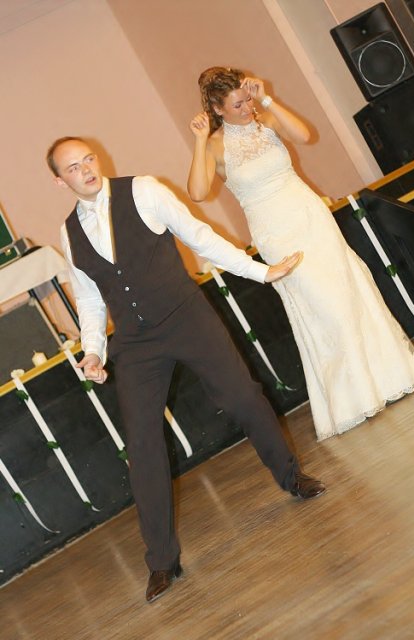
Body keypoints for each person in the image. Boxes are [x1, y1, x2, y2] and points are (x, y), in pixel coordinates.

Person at [47, 136, 325, 603]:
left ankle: (291, 477)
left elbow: (199, 236)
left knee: (242, 397)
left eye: (89, 158)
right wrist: (92, 350)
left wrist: (260, 271)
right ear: (61, 180)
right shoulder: (68, 232)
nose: (86, 169)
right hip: (135, 342)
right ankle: (162, 561)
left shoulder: (144, 190)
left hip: (185, 316)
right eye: (73, 167)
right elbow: (90, 299)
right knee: (141, 445)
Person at [188, 67, 414, 442]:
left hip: (310, 215)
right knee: (323, 306)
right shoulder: (215, 147)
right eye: (237, 104)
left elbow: (304, 134)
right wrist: (200, 141)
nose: (247, 108)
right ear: (217, 108)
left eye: (247, 99)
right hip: (275, 233)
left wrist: (266, 99)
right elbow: (198, 192)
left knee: (346, 294)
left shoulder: (265, 120)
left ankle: (389, 379)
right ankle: (352, 399)